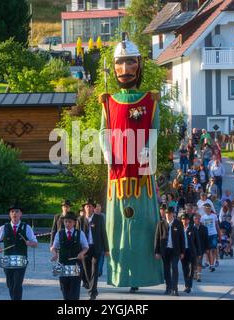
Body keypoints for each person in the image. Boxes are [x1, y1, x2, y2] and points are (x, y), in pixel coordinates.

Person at [98, 33, 163, 291]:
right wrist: (106, 153)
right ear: (113, 67)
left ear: (139, 65)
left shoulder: (150, 100)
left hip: (141, 174)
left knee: (142, 226)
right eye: (119, 63)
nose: (124, 69)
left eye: (130, 63)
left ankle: (144, 274)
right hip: (117, 175)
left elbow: (155, 130)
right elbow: (103, 132)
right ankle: (119, 274)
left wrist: (147, 150)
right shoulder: (108, 101)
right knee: (116, 226)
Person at [0, 204, 38, 300]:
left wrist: (30, 243)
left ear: (21, 214)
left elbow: (36, 244)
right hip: (7, 261)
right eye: (12, 212)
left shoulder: (26, 227)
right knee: (10, 284)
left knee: (17, 284)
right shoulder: (4, 227)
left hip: (21, 261)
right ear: (9, 214)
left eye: (16, 211)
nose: (14, 213)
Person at [51, 212, 89, 300]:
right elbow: (54, 247)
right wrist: (55, 253)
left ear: (74, 223)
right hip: (62, 264)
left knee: (74, 290)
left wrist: (81, 253)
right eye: (66, 222)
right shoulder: (59, 233)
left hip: (76, 264)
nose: (67, 224)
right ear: (63, 222)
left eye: (70, 222)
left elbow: (86, 247)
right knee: (64, 289)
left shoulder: (80, 233)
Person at [78, 199, 109, 300]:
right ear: (84, 208)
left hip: (96, 248)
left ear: (93, 208)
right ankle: (90, 286)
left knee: (94, 270)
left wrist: (106, 249)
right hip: (85, 248)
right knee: (86, 271)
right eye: (86, 206)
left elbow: (103, 233)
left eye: (90, 206)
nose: (88, 208)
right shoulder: (80, 220)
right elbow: (77, 235)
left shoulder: (99, 218)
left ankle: (92, 293)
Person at [154, 207, 184, 296]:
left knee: (174, 268)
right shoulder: (161, 223)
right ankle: (168, 287)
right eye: (166, 214)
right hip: (165, 250)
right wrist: (157, 251)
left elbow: (182, 238)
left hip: (175, 251)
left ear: (173, 214)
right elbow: (157, 238)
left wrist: (182, 252)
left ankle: (175, 289)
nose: (167, 215)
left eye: (169, 214)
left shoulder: (178, 224)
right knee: (166, 270)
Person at [181, 213, 201, 293]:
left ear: (189, 220)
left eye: (186, 219)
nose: (185, 221)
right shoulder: (180, 229)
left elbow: (197, 241)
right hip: (183, 252)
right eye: (183, 219)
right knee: (185, 269)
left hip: (191, 251)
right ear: (181, 220)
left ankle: (189, 286)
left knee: (191, 269)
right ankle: (186, 285)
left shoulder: (193, 228)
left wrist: (199, 253)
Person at [200, 203, 220, 272]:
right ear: (204, 209)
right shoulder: (202, 217)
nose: (207, 209)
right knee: (208, 250)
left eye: (208, 208)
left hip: (214, 234)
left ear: (210, 209)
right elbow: (202, 227)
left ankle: (212, 263)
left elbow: (217, 226)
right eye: (206, 208)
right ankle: (211, 264)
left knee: (213, 249)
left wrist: (219, 235)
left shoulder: (214, 216)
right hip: (206, 235)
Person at [193, 213, 209, 282]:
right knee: (194, 262)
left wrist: (207, 248)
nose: (197, 220)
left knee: (199, 261)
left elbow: (206, 239)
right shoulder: (191, 228)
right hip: (192, 248)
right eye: (196, 219)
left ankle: (199, 275)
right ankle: (195, 273)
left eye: (198, 219)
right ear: (193, 220)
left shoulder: (204, 228)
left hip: (201, 247)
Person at [95, 203, 106, 277]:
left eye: (100, 208)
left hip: (102, 239)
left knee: (102, 255)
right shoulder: (93, 217)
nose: (98, 210)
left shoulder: (103, 216)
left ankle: (99, 270)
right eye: (97, 208)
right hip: (94, 240)